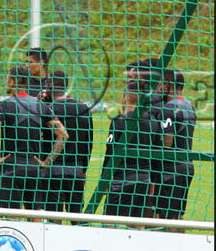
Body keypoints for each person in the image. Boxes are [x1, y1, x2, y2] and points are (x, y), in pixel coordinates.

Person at [0, 66, 67, 216]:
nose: (5, 82)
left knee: (10, 219)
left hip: (11, 168)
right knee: (35, 215)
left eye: (7, 78)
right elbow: (63, 135)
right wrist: (47, 162)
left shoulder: (4, 105)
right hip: (33, 168)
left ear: (12, 81)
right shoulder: (40, 105)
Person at [103, 81, 163, 223]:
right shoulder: (153, 122)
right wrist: (153, 180)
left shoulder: (118, 121)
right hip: (143, 179)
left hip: (121, 179)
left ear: (126, 98)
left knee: (109, 221)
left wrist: (104, 178)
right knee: (138, 223)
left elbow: (110, 151)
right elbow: (157, 155)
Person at [39, 70, 94, 221]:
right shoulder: (83, 108)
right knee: (76, 218)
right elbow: (89, 143)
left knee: (53, 220)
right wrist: (83, 169)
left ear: (49, 86)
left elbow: (40, 140)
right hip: (75, 170)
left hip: (52, 170)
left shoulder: (48, 109)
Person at [156, 70, 196, 230]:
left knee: (166, 218)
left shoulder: (169, 108)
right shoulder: (189, 104)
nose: (158, 87)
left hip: (170, 170)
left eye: (160, 84)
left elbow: (167, 141)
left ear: (168, 85)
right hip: (186, 165)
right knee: (178, 215)